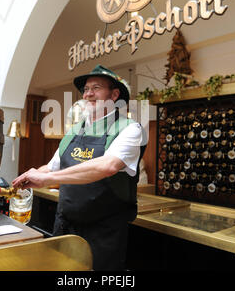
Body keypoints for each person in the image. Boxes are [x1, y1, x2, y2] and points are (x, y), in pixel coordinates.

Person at [12, 64, 146, 270]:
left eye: (96, 88)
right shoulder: (74, 131)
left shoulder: (130, 129)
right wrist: (32, 175)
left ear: (114, 94)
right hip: (65, 226)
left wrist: (48, 179)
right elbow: (53, 167)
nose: (88, 94)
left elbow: (107, 166)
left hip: (103, 233)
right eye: (85, 89)